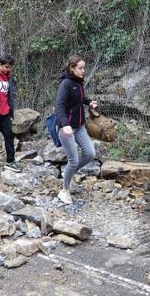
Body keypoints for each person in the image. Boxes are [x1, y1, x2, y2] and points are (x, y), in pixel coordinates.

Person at [54, 54, 98, 204]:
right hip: (66, 128)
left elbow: (79, 99)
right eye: (80, 68)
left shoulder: (78, 83)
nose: (83, 70)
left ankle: (69, 173)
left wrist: (89, 102)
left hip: (79, 127)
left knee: (90, 153)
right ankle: (64, 190)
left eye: (84, 68)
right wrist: (65, 124)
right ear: (72, 68)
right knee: (73, 160)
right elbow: (59, 106)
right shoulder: (66, 83)